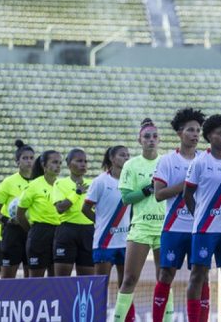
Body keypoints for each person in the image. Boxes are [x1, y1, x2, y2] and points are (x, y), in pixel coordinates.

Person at [152, 108, 206, 322]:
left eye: (198, 131)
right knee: (166, 275)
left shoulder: (205, 159)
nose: (195, 134)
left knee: (201, 278)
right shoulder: (167, 161)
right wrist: (186, 185)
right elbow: (158, 194)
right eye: (190, 130)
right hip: (173, 228)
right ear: (179, 133)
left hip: (199, 229)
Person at [112, 119, 168, 322]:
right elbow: (126, 198)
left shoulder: (167, 161)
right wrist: (148, 188)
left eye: (154, 136)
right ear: (139, 140)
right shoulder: (131, 165)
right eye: (147, 137)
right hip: (141, 227)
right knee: (129, 279)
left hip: (164, 228)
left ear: (159, 139)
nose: (151, 140)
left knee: (164, 279)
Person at [184, 114, 221, 322]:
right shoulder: (200, 162)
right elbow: (188, 194)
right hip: (205, 230)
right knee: (197, 276)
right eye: (220, 133)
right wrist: (200, 217)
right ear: (209, 136)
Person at [83, 146, 131, 306]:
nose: (126, 158)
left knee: (125, 286)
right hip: (105, 241)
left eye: (128, 155)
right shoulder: (100, 181)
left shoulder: (131, 181)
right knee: (100, 286)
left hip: (125, 242)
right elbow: (85, 208)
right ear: (112, 158)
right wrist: (100, 223)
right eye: (122, 155)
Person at [0, 140, 35, 278]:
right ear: (17, 161)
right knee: (8, 277)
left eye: (31, 158)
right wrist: (7, 220)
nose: (29, 161)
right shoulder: (8, 182)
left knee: (32, 276)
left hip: (32, 230)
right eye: (25, 158)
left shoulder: (39, 182)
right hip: (13, 232)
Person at [18, 150, 62, 277]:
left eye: (59, 163)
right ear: (44, 165)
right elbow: (20, 214)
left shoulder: (62, 185)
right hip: (39, 234)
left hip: (58, 233)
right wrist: (32, 231)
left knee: (55, 279)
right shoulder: (33, 186)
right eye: (54, 162)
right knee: (36, 280)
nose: (58, 166)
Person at [52, 148, 94, 276]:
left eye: (85, 161)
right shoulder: (60, 183)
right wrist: (77, 193)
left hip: (88, 231)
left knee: (87, 281)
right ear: (69, 164)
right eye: (79, 161)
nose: (83, 164)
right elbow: (60, 208)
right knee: (62, 279)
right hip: (67, 230)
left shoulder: (93, 184)